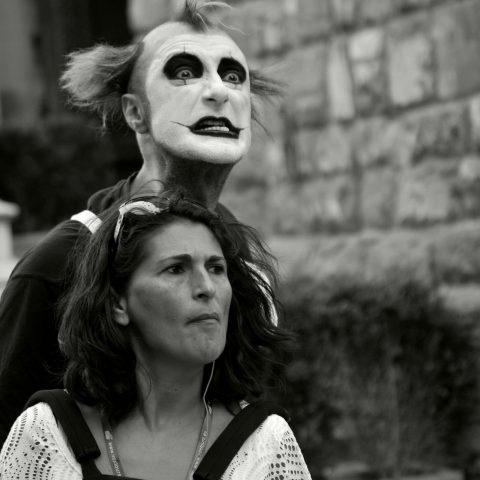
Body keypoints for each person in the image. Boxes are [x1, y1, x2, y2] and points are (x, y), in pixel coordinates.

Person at [0, 0, 281, 445]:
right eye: (185, 72)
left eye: (233, 75)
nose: (218, 92)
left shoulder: (245, 260)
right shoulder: (55, 266)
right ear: (135, 113)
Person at [0, 195, 311, 480]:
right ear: (118, 303)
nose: (207, 287)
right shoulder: (48, 435)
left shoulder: (265, 446)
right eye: (176, 269)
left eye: (216, 268)